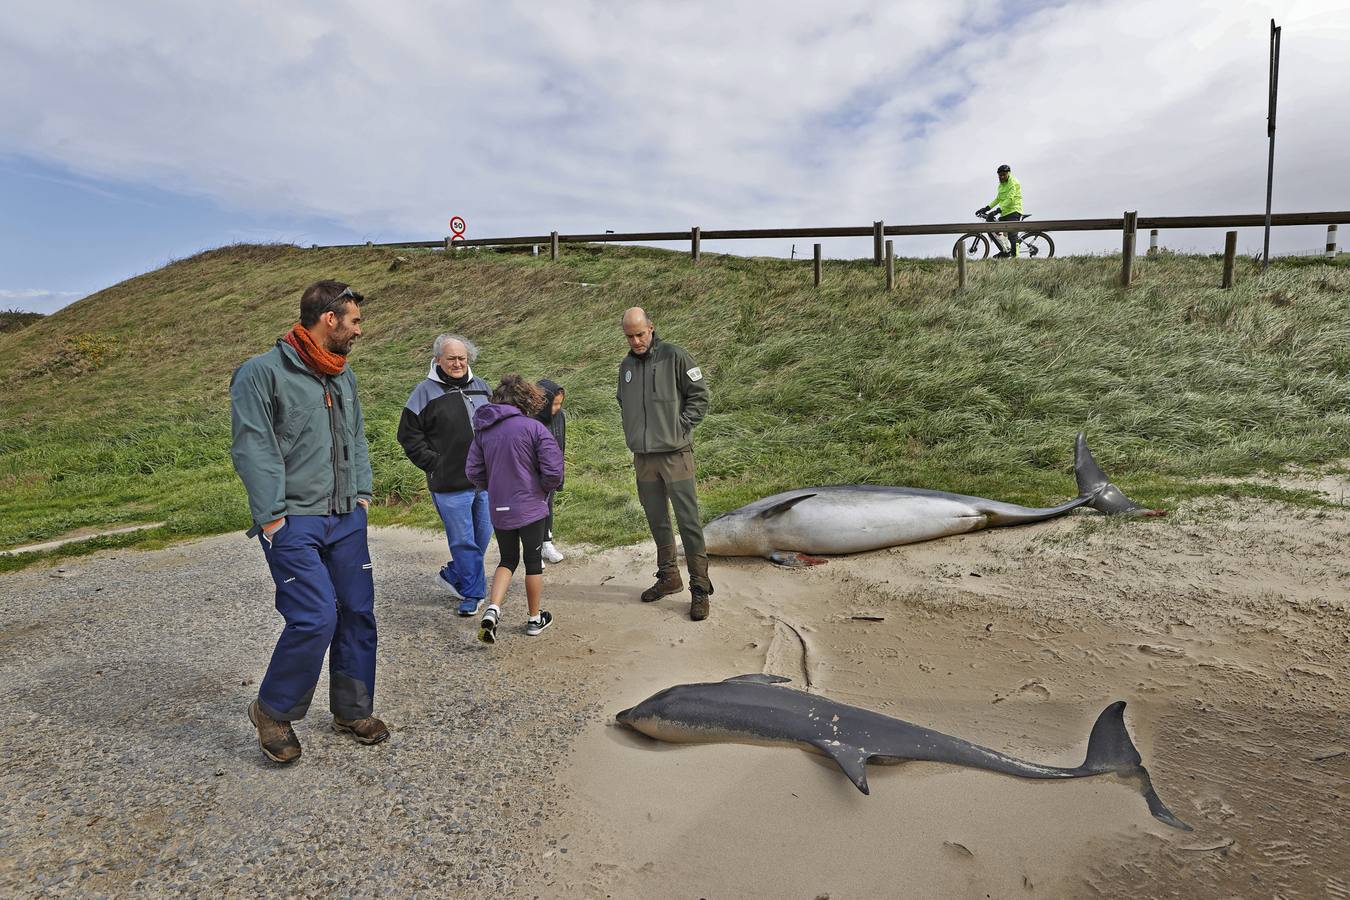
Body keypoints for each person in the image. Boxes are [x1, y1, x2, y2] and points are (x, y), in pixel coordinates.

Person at [230, 280, 388, 765]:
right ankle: (273, 711)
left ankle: (351, 709)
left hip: (345, 517)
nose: (360, 330)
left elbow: (356, 439)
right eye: (355, 320)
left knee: (357, 612)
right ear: (329, 319)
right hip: (293, 519)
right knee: (315, 616)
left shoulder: (343, 376)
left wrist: (362, 495)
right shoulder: (261, 373)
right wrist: (273, 518)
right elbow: (253, 446)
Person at [616, 307, 713, 621]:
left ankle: (700, 587)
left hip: (675, 455)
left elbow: (700, 396)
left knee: (688, 522)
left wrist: (680, 427)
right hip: (644, 458)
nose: (636, 341)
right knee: (657, 520)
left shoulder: (675, 357)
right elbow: (623, 402)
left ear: (651, 328)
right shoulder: (626, 366)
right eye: (630, 336)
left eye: (640, 334)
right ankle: (669, 576)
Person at [396, 334, 493, 616]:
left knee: (482, 537)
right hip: (449, 484)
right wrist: (434, 463)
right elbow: (408, 435)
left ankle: (454, 573)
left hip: (485, 481)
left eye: (462, 358)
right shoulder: (423, 392)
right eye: (451, 358)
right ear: (438, 359)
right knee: (463, 540)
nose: (457, 363)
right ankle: (473, 594)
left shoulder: (482, 387)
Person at [465, 375, 564, 643]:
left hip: (500, 506)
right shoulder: (534, 428)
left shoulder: (484, 430)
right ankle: (534, 619)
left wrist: (493, 487)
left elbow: (473, 470)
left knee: (507, 560)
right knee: (532, 563)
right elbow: (554, 470)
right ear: (526, 399)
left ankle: (493, 609)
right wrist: (543, 489)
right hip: (531, 506)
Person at [536, 378, 567, 564]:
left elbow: (561, 444)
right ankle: (535, 548)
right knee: (536, 510)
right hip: (534, 474)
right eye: (554, 404)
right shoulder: (530, 418)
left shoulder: (560, 416)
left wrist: (559, 474)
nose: (556, 408)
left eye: (559, 404)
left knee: (548, 507)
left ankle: (547, 543)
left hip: (552, 472)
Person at [977, 164, 1024, 258]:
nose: (1002, 177)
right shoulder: (1001, 185)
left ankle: (1016, 258)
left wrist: (996, 211)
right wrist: (986, 208)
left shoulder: (1013, 182)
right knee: (992, 230)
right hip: (1004, 212)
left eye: (1004, 175)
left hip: (1014, 211)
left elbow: (1010, 199)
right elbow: (998, 199)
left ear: (1008, 173)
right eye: (1000, 175)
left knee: (1012, 236)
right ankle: (1005, 251)